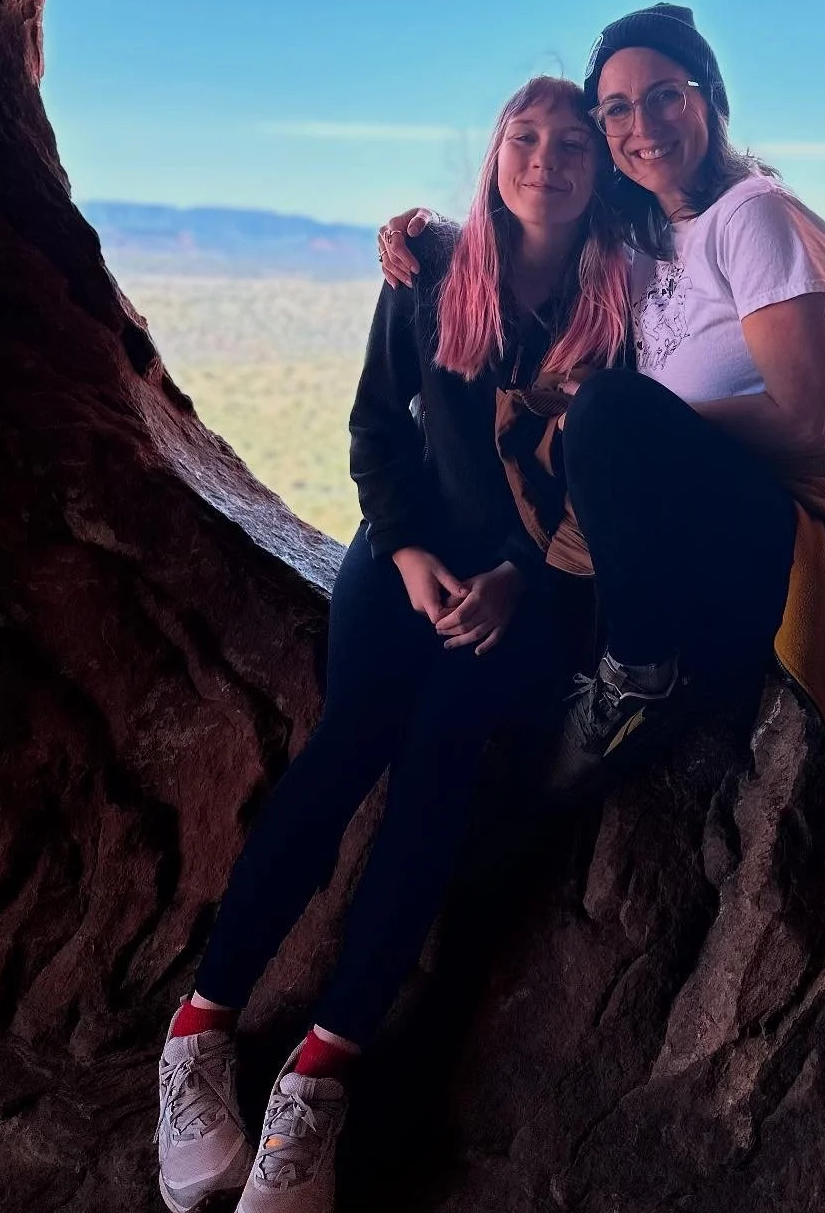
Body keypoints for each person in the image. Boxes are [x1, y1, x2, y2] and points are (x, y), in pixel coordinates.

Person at [154, 77, 626, 1213]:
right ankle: (197, 1030)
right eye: (526, 136)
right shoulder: (431, 270)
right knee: (345, 750)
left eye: (573, 141)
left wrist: (519, 580)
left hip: (525, 585)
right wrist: (410, 556)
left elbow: (609, 481)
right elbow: (376, 427)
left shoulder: (621, 296)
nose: (546, 158)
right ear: (495, 152)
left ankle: (316, 1081)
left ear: (600, 168)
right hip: (405, 554)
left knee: (437, 786)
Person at [380, 4, 825, 799]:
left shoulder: (754, 217)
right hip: (698, 527)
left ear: (709, 98)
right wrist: (425, 235)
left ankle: (639, 675)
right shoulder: (648, 239)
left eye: (667, 94)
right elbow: (533, 222)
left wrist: (624, 425)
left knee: (603, 409)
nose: (645, 123)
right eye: (618, 109)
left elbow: (806, 421)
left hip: (792, 529)